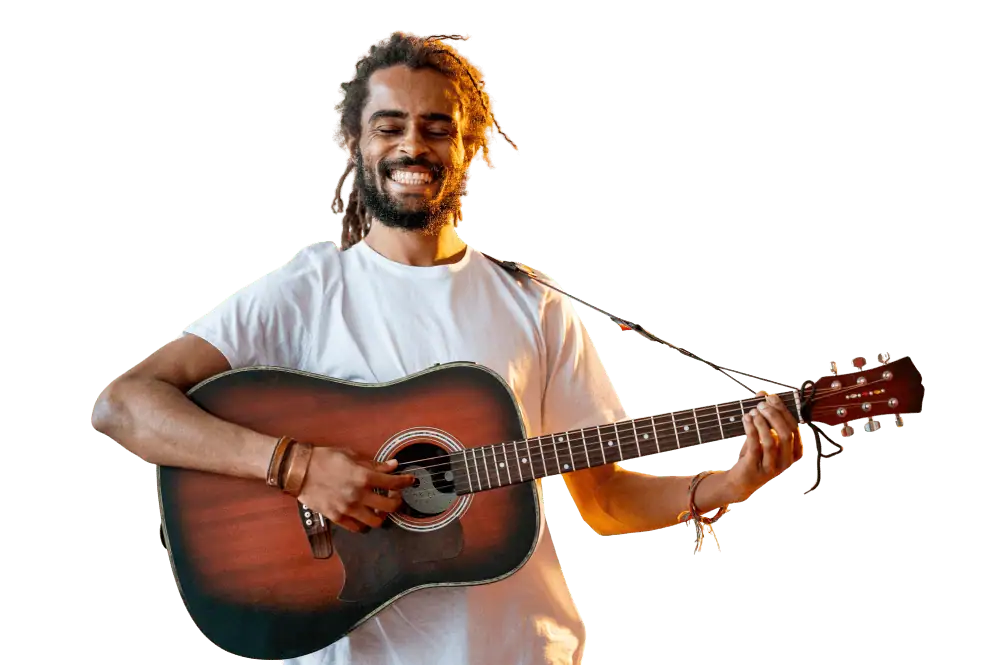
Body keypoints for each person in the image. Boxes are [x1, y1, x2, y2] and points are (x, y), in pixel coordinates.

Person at [89, 31, 804, 665]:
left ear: (468, 147)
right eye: (390, 126)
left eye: (437, 127)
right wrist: (296, 466)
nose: (413, 146)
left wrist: (729, 484)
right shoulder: (306, 289)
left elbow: (605, 498)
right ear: (357, 143)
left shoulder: (534, 303)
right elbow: (123, 406)